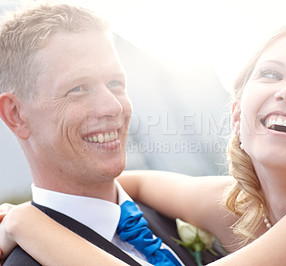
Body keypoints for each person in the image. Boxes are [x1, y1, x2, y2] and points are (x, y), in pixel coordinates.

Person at [2, 23, 286, 265]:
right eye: (272, 74)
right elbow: (131, 185)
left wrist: (26, 222)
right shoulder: (241, 207)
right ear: (237, 116)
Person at [0, 2, 223, 266]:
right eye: (78, 88)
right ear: (16, 114)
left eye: (115, 83)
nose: (113, 106)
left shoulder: (180, 212)